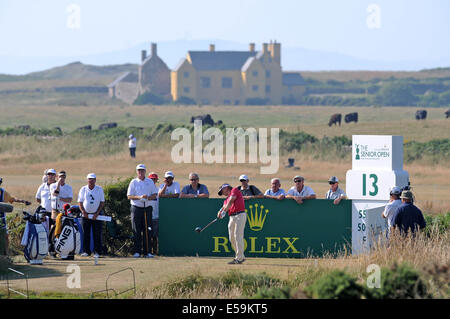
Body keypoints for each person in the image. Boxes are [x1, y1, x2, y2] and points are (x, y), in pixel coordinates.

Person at [127, 164, 158, 258]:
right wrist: (139, 197)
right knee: (136, 230)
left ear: (145, 171)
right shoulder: (133, 182)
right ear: (137, 171)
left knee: (147, 230)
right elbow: (129, 196)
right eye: (139, 170)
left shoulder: (149, 182)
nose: (140, 172)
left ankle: (147, 252)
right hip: (136, 208)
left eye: (142, 170)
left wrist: (147, 198)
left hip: (147, 208)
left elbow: (154, 195)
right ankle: (137, 251)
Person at [0, 177, 31, 255]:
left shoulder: (3, 193)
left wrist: (23, 201)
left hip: (1, 219)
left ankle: (6, 253)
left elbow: (12, 199)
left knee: (6, 236)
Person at [217, 183, 246, 264]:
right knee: (231, 238)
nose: (222, 193)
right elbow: (224, 206)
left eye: (222, 191)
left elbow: (231, 201)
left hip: (240, 215)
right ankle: (241, 256)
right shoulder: (225, 199)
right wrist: (220, 212)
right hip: (232, 217)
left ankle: (239, 258)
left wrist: (224, 211)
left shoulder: (234, 190)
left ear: (226, 188)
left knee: (238, 236)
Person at [78, 173, 105, 258]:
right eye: (89, 179)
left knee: (97, 234)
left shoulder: (99, 189)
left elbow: (102, 202)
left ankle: (97, 252)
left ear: (95, 180)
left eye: (93, 179)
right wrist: (83, 211)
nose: (91, 181)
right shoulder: (83, 189)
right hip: (85, 215)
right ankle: (86, 251)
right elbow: (80, 201)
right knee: (86, 234)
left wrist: (97, 213)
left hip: (96, 215)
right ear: (87, 180)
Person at [148, 172, 160, 255]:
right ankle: (147, 251)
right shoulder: (146, 189)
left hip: (155, 216)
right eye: (151, 179)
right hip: (148, 215)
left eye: (154, 179)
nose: (153, 180)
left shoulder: (158, 190)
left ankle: (155, 252)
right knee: (147, 235)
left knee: (155, 236)